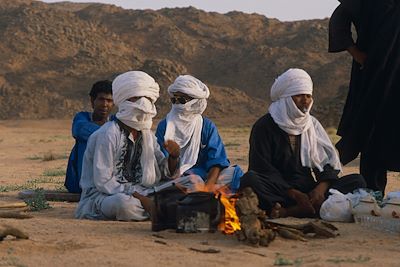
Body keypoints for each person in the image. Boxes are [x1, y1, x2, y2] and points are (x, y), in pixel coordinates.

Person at [240, 68, 366, 218]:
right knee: (250, 179)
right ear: (286, 98)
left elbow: (325, 164)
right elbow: (261, 167)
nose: (305, 100)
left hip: (308, 189)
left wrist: (319, 189)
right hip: (280, 189)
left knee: (357, 181)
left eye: (308, 96)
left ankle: (294, 210)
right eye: (299, 95)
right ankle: (309, 209)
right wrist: (294, 194)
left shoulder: (312, 125)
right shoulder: (264, 125)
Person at [75, 71, 180, 221]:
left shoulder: (147, 135)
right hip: (103, 196)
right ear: (123, 100)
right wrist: (141, 198)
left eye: (148, 99)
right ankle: (158, 209)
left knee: (189, 184)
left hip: (144, 192)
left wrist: (173, 157)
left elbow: (163, 172)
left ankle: (156, 208)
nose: (143, 104)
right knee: (123, 205)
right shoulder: (108, 134)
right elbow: (104, 182)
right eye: (136, 98)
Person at [329, 0, 400, 193]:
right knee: (371, 131)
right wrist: (357, 54)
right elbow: (339, 19)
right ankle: (372, 195)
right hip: (373, 73)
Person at [155, 75, 243, 193]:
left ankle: (204, 192)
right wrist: (174, 157)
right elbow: (164, 171)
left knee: (235, 174)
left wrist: (208, 186)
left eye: (181, 100)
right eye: (174, 100)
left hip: (206, 176)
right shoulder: (165, 126)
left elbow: (216, 160)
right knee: (193, 181)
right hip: (178, 178)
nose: (177, 104)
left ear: (194, 102)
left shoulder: (206, 126)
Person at [65, 80, 114, 193]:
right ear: (92, 101)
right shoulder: (82, 118)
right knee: (88, 140)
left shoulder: (115, 122)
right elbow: (79, 130)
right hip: (79, 183)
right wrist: (111, 135)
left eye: (109, 100)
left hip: (108, 181)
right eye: (101, 99)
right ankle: (88, 184)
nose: (105, 104)